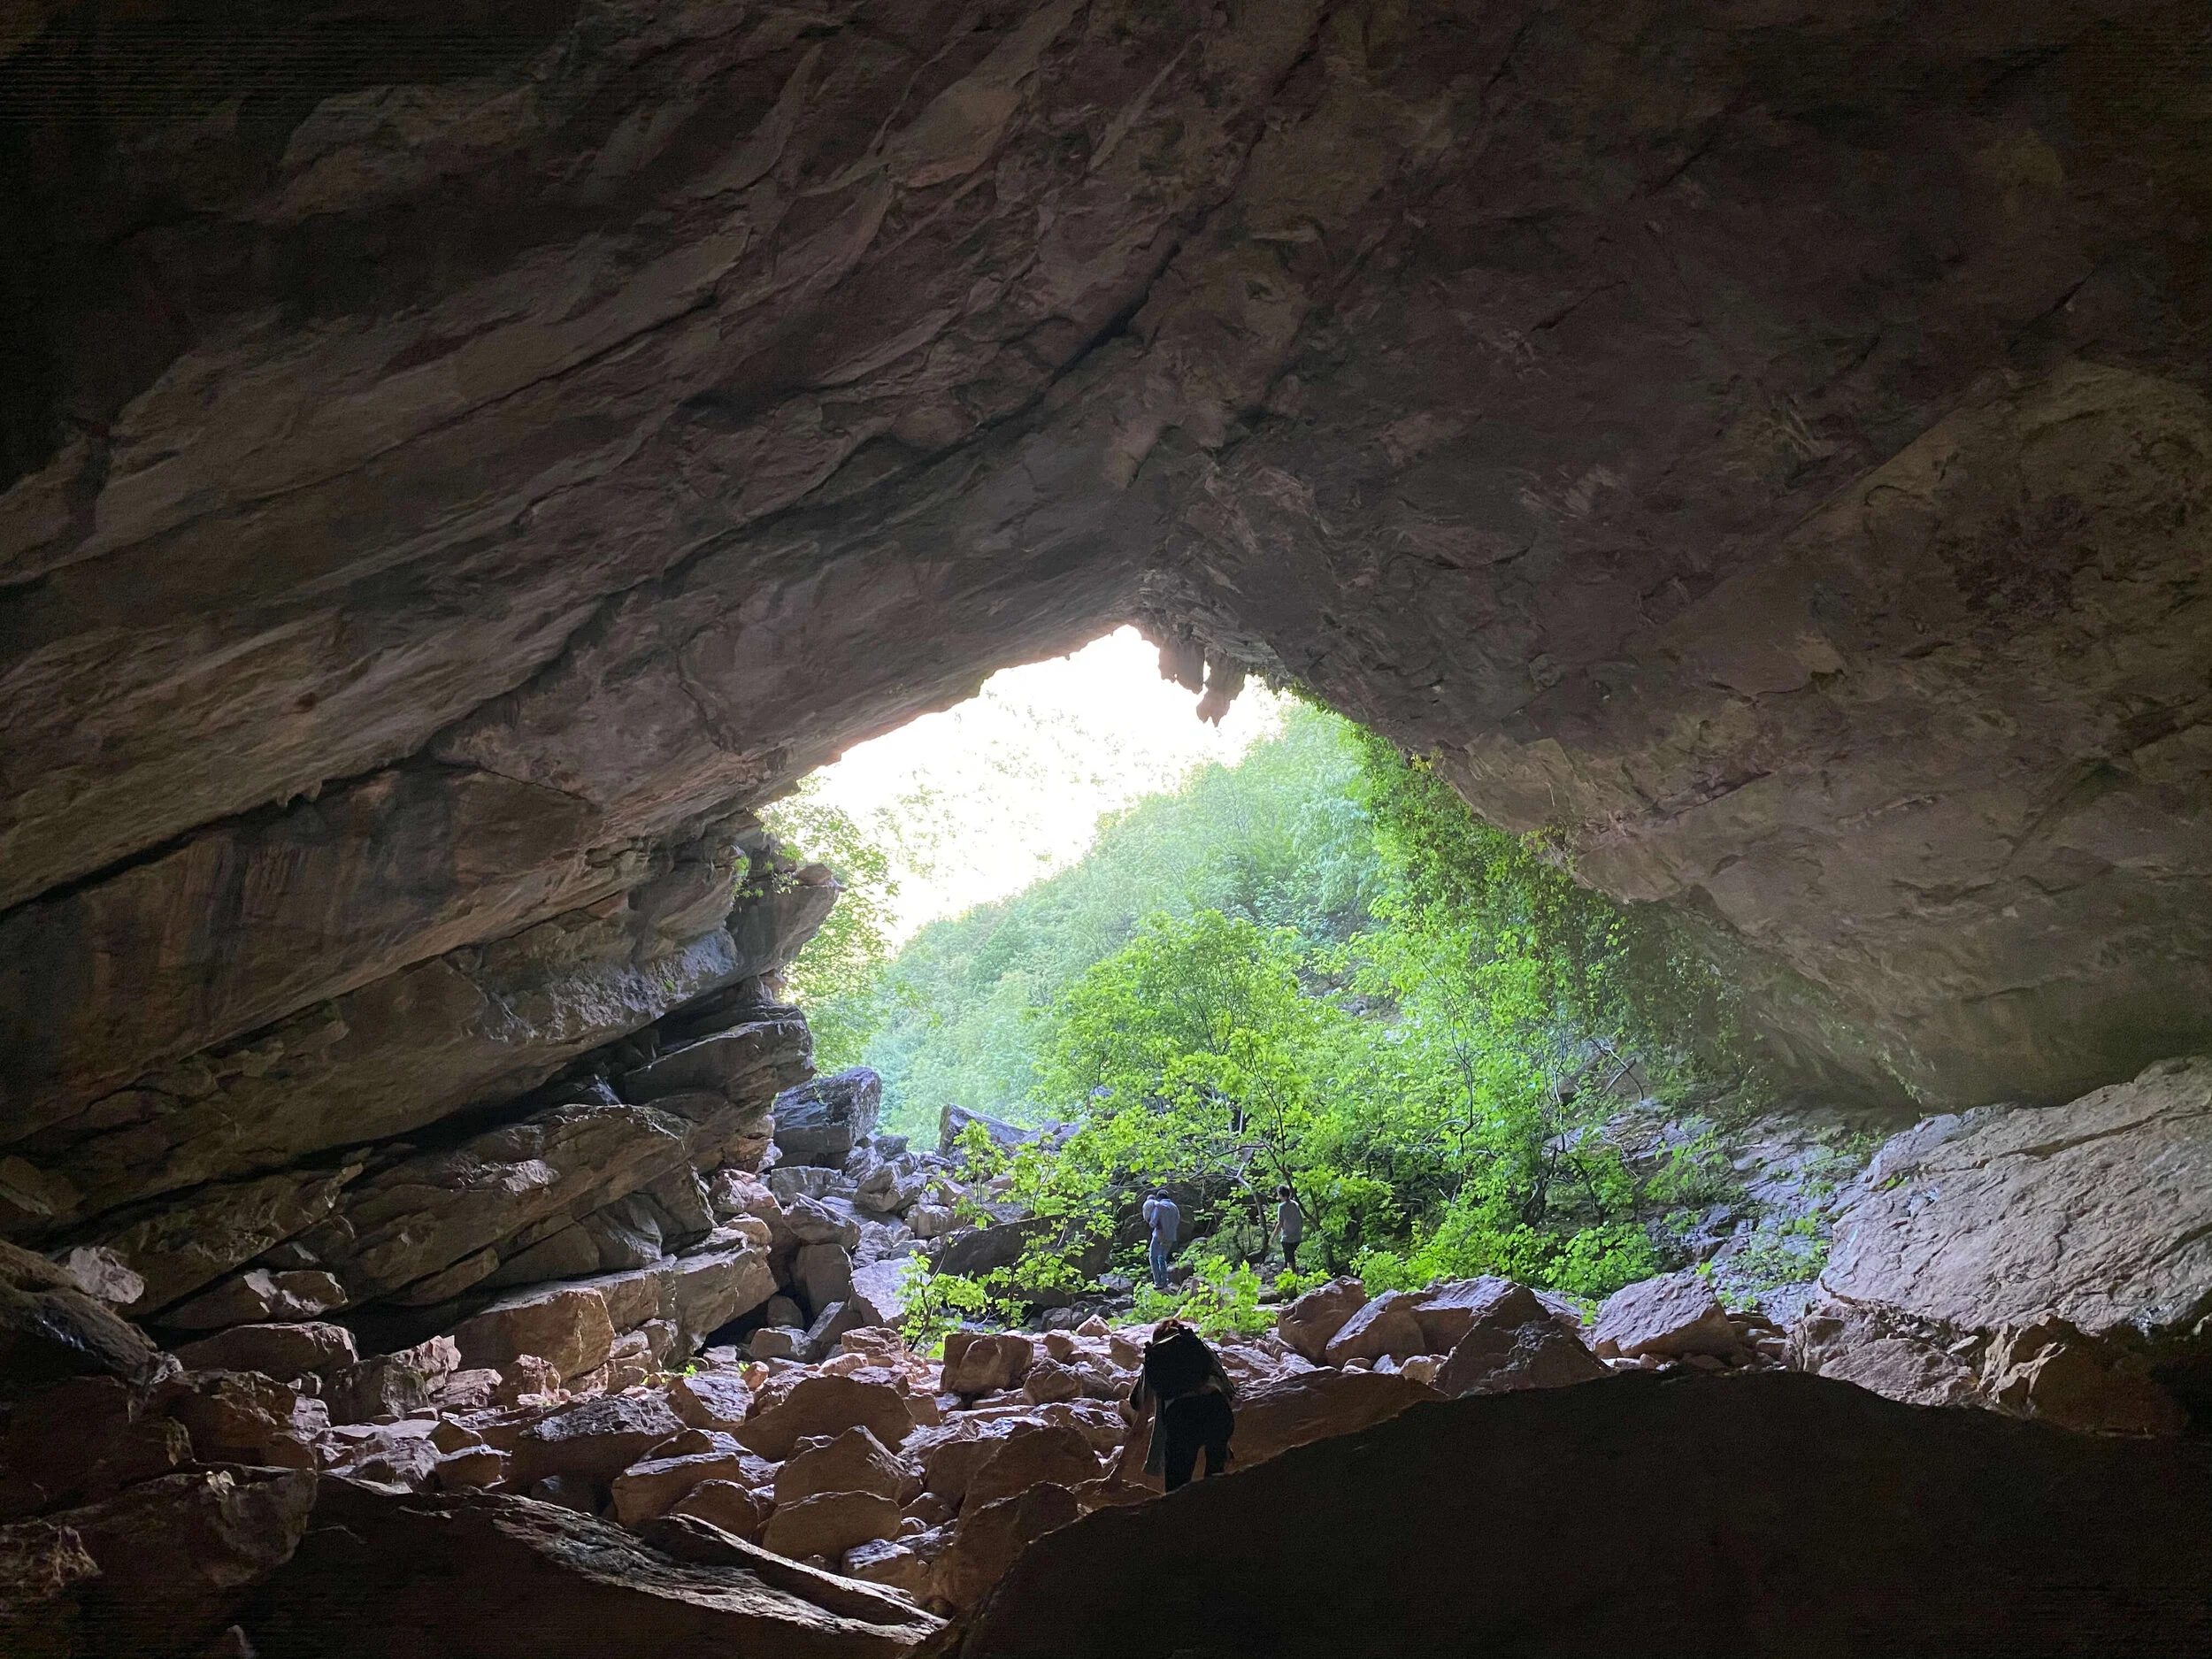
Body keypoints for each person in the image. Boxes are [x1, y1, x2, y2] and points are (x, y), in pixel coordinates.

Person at [1122, 1318, 1235, 1491]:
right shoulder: (1202, 1350)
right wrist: (1224, 1443)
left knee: (1176, 1492)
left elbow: (1140, 1426)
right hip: (1218, 1411)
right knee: (1216, 1485)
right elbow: (1228, 1391)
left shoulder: (1155, 1359)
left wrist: (1116, 1474)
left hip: (1182, 1418)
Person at [1141, 1188, 1180, 1292]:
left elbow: (1153, 1222)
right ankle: (1165, 1282)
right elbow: (1177, 1221)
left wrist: (1149, 1221)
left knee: (1153, 1257)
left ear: (1159, 1197)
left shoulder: (1158, 1206)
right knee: (1162, 1258)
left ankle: (1158, 1282)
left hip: (1158, 1235)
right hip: (1171, 1236)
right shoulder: (1175, 1207)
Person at [1274, 1184, 1304, 1270]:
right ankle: (1290, 1271)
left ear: (1280, 1194)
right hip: (1297, 1236)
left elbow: (1280, 1223)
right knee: (1290, 1256)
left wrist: (1274, 1235)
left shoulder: (1282, 1207)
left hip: (1287, 1237)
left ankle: (1292, 1274)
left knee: (1289, 1258)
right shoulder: (1295, 1204)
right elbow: (1300, 1220)